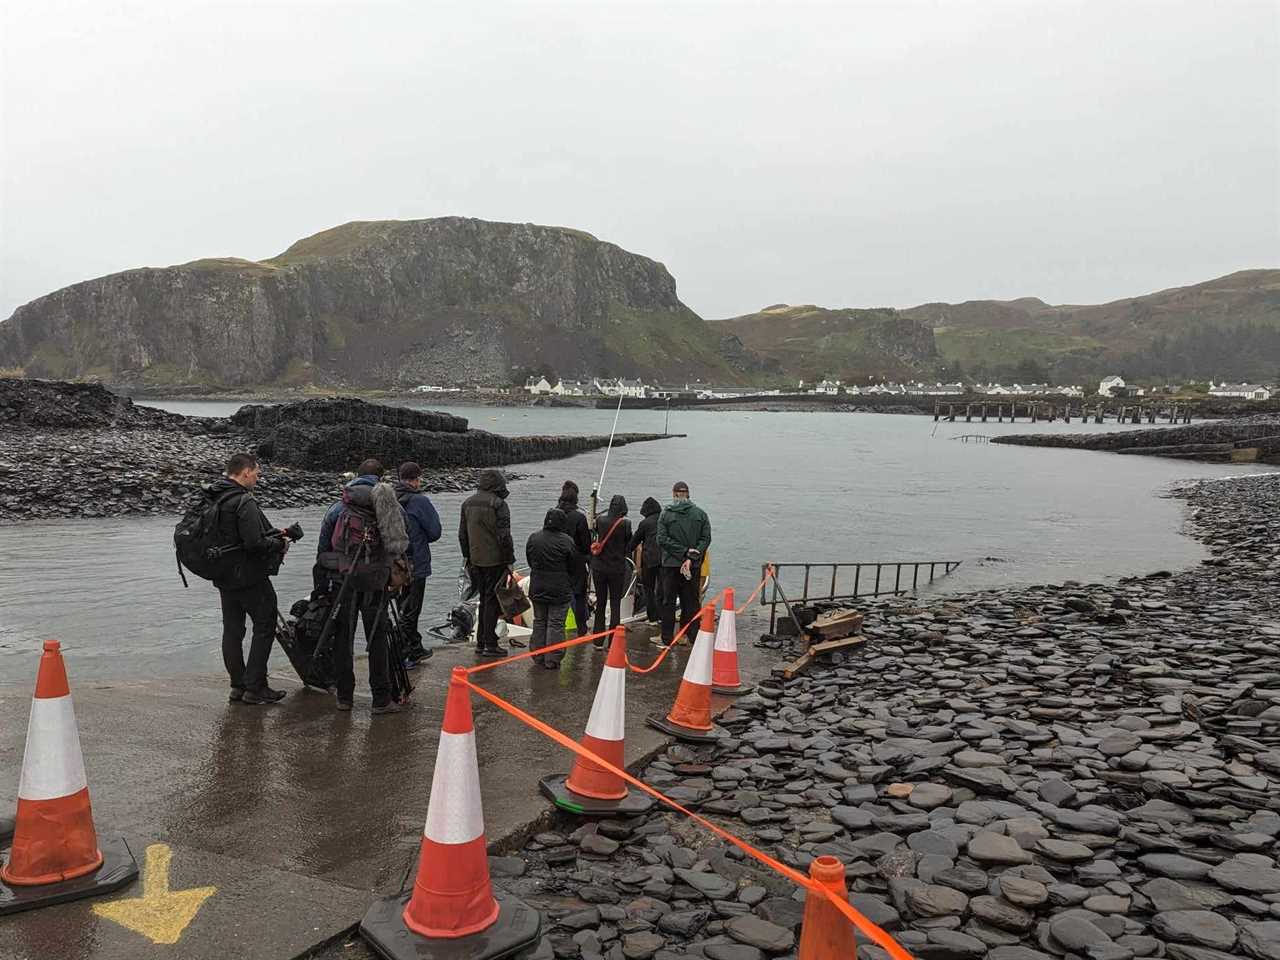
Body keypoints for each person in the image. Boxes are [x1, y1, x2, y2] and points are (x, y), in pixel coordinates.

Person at [321, 459, 410, 714]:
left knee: (343, 639)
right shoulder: (389, 506)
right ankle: (381, 699)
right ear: (381, 479)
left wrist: (324, 581)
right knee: (378, 639)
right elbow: (403, 541)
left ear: (355, 478)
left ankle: (344, 698)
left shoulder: (339, 507)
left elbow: (324, 545)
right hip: (376, 582)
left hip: (344, 581)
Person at [210, 452, 290, 705]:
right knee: (265, 626)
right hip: (249, 577)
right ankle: (255, 687)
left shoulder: (214, 496)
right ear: (245, 472)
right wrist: (279, 543)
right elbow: (254, 543)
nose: (258, 477)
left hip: (223, 576)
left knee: (232, 630)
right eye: (256, 472)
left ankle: (238, 685)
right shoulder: (243, 501)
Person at [460, 469, 516, 658]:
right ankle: (490, 644)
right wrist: (509, 560)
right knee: (491, 600)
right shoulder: (499, 504)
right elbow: (504, 536)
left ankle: (481, 642)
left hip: (475, 559)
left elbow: (462, 535)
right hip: (495, 560)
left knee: (483, 599)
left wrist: (467, 558)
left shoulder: (467, 503)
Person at [394, 461, 442, 665]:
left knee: (401, 607)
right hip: (416, 563)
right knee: (412, 610)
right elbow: (435, 531)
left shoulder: (390, 498)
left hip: (395, 564)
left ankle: (412, 647)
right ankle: (407, 653)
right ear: (415, 479)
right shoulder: (419, 501)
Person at [657, 480, 712, 646]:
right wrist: (692, 554)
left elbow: (662, 539)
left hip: (671, 565)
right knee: (691, 602)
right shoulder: (700, 514)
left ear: (674, 494)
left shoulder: (666, 514)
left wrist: (681, 552)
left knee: (668, 602)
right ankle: (693, 637)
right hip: (693, 566)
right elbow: (706, 538)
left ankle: (666, 638)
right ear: (688, 494)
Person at [524, 508, 577, 669]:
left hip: (538, 585)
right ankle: (552, 658)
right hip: (559, 587)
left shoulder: (534, 538)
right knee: (556, 623)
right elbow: (573, 565)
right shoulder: (567, 541)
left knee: (539, 621)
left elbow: (529, 558)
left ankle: (538, 654)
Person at [590, 495, 632, 644]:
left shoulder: (601, 520)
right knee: (615, 604)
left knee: (600, 603)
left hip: (599, 567)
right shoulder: (625, 524)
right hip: (617, 568)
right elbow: (628, 544)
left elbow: (594, 531)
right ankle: (613, 639)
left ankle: (598, 640)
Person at [557, 480, 592, 637]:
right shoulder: (579, 518)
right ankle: (581, 628)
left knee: (560, 595)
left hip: (558, 561)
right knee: (578, 596)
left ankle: (557, 627)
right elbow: (586, 544)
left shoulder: (554, 514)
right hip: (576, 561)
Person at [627, 496, 663, 624]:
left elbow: (634, 542)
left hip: (650, 560)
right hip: (665, 559)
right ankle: (663, 615)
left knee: (649, 588)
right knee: (663, 588)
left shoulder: (645, 523)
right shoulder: (665, 519)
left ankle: (653, 617)